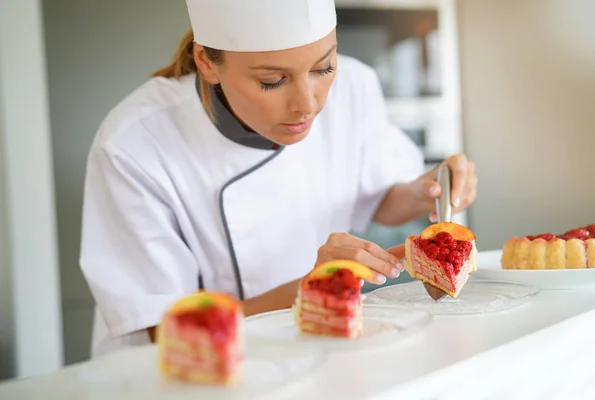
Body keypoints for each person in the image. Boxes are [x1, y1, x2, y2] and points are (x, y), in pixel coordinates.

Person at [80, 0, 477, 357]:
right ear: (206, 62)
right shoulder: (135, 141)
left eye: (323, 68)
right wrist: (314, 286)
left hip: (319, 348)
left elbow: (381, 199)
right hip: (190, 370)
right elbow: (165, 329)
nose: (308, 103)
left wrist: (431, 189)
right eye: (272, 81)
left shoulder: (355, 84)